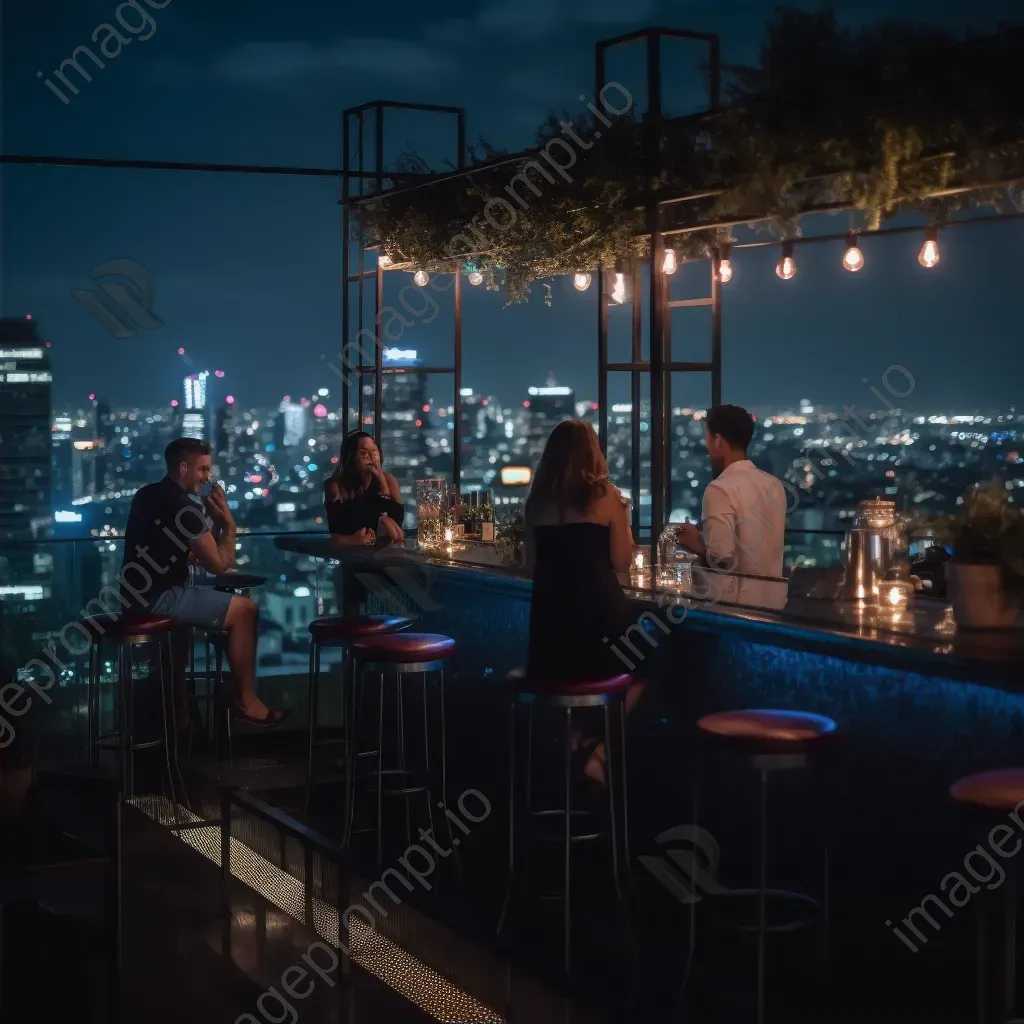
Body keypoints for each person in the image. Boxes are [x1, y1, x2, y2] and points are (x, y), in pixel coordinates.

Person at [118, 437, 287, 726]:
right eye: (203, 470)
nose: (208, 477)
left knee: (182, 632)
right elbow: (220, 565)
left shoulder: (146, 495)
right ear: (183, 467)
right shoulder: (186, 508)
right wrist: (228, 525)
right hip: (159, 598)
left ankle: (177, 710)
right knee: (246, 610)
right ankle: (246, 702)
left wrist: (206, 530)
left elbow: (165, 551)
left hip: (132, 597)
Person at [524, 419, 645, 786]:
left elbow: (531, 565)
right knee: (646, 666)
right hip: (601, 622)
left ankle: (574, 742)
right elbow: (623, 563)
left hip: (548, 638)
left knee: (572, 676)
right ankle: (598, 751)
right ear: (593, 452)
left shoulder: (536, 502)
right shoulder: (608, 496)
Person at [675, 404, 789, 609]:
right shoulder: (774, 485)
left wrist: (694, 542)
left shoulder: (719, 489)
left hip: (736, 607)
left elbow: (722, 561)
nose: (707, 444)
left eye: (708, 437)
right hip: (774, 602)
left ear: (718, 440)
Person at [323, 431, 405, 551]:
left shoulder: (389, 481)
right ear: (351, 457)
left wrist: (382, 482)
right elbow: (337, 535)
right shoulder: (336, 486)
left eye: (374, 452)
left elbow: (396, 532)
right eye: (363, 453)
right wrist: (355, 540)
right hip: (352, 558)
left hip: (386, 556)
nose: (371, 458)